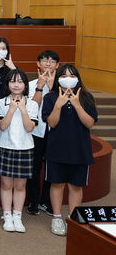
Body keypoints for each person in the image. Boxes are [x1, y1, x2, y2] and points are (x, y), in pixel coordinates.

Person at [42, 64, 98, 236]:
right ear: (58, 78)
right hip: (56, 149)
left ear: (77, 78)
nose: (68, 78)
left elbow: (89, 123)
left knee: (76, 185)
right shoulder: (51, 97)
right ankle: (57, 217)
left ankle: (73, 220)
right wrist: (58, 105)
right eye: (64, 75)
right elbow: (51, 123)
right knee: (57, 183)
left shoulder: (86, 97)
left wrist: (76, 104)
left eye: (72, 75)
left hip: (79, 149)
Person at [0, 68, 39, 233]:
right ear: (8, 84)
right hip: (6, 146)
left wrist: (22, 109)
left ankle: (17, 216)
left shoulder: (33, 104)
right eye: (13, 81)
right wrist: (12, 109)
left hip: (25, 148)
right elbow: (2, 125)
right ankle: (7, 215)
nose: (16, 84)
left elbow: (29, 128)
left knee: (20, 185)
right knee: (6, 184)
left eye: (20, 81)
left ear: (25, 85)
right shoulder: (2, 102)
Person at [26, 50, 59, 215]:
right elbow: (32, 108)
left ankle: (47, 201)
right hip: (36, 132)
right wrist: (40, 87)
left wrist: (53, 88)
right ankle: (33, 200)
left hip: (55, 132)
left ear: (57, 66)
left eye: (52, 61)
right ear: (38, 63)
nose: (48, 63)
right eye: (45, 60)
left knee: (51, 168)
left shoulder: (62, 86)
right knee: (34, 167)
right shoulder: (31, 84)